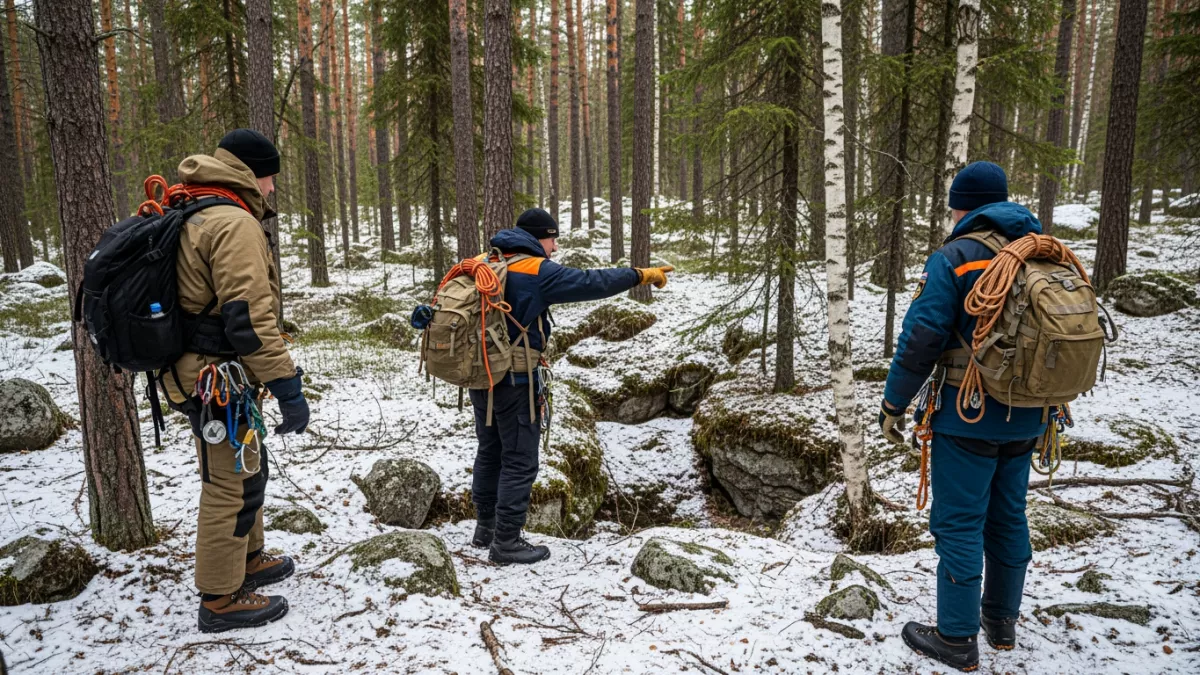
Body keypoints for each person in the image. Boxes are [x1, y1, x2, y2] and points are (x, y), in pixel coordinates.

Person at [880, 162, 1046, 672]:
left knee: (958, 523)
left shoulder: (955, 258)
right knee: (1008, 513)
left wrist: (893, 404)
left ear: (962, 205)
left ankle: (955, 638)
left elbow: (921, 340)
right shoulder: (1041, 254)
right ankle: (1000, 622)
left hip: (967, 414)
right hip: (1032, 413)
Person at [160, 129, 310, 633]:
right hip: (213, 378)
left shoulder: (200, 210)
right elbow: (248, 320)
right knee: (226, 483)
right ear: (253, 173)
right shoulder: (232, 222)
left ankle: (248, 559)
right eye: (270, 178)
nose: (271, 190)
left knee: (249, 466)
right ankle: (220, 598)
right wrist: (288, 386)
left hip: (212, 370)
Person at [470, 208, 673, 565]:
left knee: (491, 450)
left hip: (480, 373)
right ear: (537, 238)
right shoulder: (536, 270)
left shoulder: (484, 261)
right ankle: (506, 543)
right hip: (516, 378)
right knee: (519, 459)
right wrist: (640, 275)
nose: (556, 248)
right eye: (552, 239)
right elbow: (591, 282)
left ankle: (485, 529)